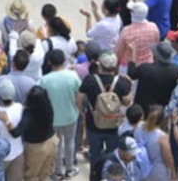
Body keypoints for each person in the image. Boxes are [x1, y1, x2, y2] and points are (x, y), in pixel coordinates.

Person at [80, 53, 133, 181]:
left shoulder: (90, 80)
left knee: (95, 156)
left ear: (100, 65)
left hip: (94, 124)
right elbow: (128, 102)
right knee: (113, 157)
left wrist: (83, 112)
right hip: (113, 125)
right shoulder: (121, 81)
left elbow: (79, 98)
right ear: (115, 66)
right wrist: (129, 84)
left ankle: (95, 177)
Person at [39, 49, 81, 178]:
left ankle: (57, 171)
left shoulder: (44, 80)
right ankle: (69, 168)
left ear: (50, 62)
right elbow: (79, 96)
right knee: (70, 142)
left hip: (53, 119)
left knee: (56, 145)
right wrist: (79, 110)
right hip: (70, 115)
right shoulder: (73, 76)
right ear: (64, 61)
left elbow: (42, 101)